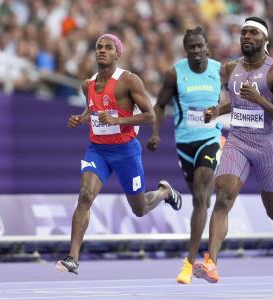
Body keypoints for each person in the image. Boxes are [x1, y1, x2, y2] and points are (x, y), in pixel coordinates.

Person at [192, 17, 273, 283]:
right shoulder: (231, 68)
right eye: (243, 32)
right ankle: (211, 262)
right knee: (223, 197)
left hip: (266, 144)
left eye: (253, 33)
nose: (246, 36)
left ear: (264, 39)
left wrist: (260, 100)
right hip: (237, 140)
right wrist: (217, 111)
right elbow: (236, 102)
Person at [55, 33, 182, 275]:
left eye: (108, 48)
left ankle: (164, 191)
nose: (102, 51)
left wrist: (117, 119)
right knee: (85, 195)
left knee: (140, 208)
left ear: (117, 54)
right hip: (98, 150)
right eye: (98, 47)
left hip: (125, 152)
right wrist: (81, 118)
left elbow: (150, 116)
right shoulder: (87, 84)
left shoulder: (129, 81)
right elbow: (92, 108)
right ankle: (73, 257)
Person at [147, 26, 223, 284]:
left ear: (207, 48)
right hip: (185, 145)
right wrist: (156, 133)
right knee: (199, 200)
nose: (196, 51)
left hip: (210, 140)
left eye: (200, 46)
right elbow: (159, 105)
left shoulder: (219, 70)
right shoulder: (175, 74)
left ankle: (189, 263)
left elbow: (237, 95)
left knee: (202, 198)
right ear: (186, 50)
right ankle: (171, 194)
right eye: (191, 47)